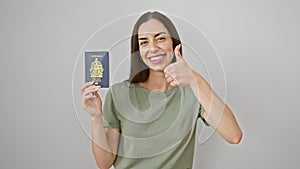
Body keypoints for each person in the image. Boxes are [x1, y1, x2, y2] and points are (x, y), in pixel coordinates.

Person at [80, 11, 242, 169]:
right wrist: (96, 118)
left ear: (174, 43)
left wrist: (194, 79)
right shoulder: (118, 93)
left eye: (160, 39)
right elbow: (104, 163)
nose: (153, 48)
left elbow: (234, 135)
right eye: (144, 42)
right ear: (138, 51)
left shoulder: (192, 93)